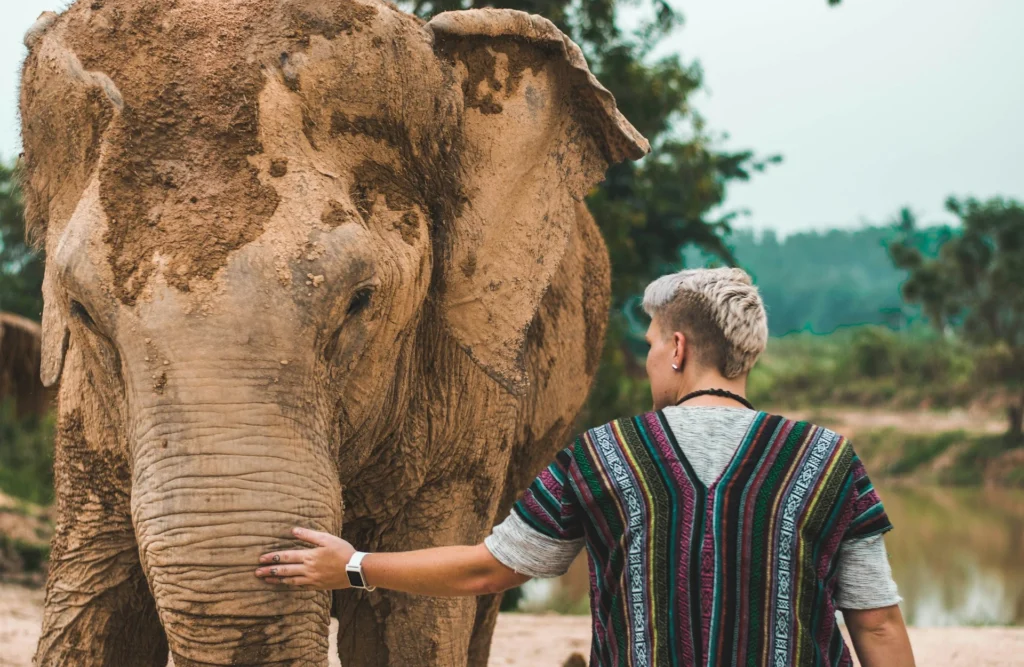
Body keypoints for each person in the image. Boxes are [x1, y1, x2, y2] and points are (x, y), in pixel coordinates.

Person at [256, 268, 915, 667]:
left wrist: (350, 564)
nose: (651, 356)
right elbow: (878, 622)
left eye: (653, 342)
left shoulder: (604, 455)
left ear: (680, 347)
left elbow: (488, 568)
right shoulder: (830, 461)